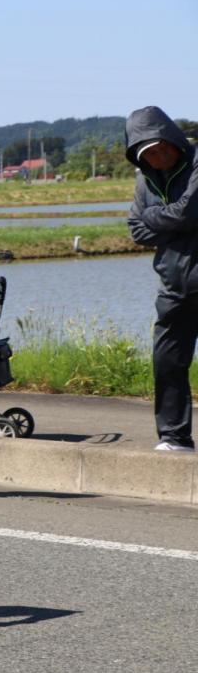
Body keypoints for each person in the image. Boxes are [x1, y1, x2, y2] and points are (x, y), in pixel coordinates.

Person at [126, 106, 198, 452]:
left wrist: (157, 217)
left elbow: (189, 209)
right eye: (147, 154)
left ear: (173, 140)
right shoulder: (145, 180)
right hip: (173, 284)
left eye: (160, 147)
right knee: (168, 362)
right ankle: (174, 437)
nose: (157, 157)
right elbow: (136, 229)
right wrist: (175, 220)